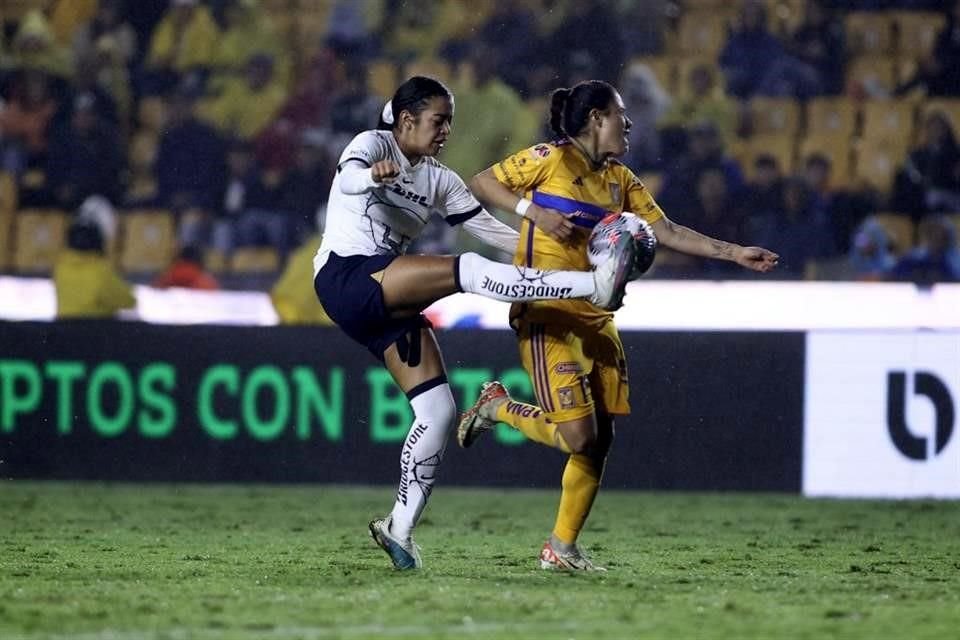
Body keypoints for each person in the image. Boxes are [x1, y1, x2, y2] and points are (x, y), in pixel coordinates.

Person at [311, 76, 640, 571]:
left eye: (450, 122)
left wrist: (556, 252)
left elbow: (492, 232)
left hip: (382, 305)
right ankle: (593, 288)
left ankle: (398, 529)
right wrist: (372, 176)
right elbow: (351, 178)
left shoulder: (440, 179)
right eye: (439, 120)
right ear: (407, 120)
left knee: (439, 411)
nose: (446, 130)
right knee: (464, 269)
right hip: (346, 277)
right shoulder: (371, 146)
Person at [459, 80, 779, 571]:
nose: (627, 123)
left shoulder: (621, 180)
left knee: (600, 439)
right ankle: (497, 408)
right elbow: (482, 181)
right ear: (594, 119)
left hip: (598, 318)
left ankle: (561, 549)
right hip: (546, 316)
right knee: (578, 437)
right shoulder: (548, 159)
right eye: (619, 114)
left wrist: (733, 252)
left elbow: (667, 231)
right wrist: (535, 213)